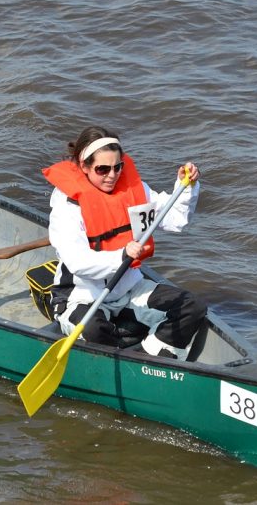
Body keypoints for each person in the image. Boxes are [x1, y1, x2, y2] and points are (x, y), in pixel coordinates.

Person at [43, 126, 207, 360]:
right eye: (102, 169)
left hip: (129, 288)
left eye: (117, 167)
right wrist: (120, 256)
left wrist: (185, 187)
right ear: (85, 166)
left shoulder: (133, 190)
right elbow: (77, 262)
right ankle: (116, 351)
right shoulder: (67, 206)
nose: (112, 175)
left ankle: (147, 359)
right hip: (83, 294)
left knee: (191, 307)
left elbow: (175, 220)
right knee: (93, 331)